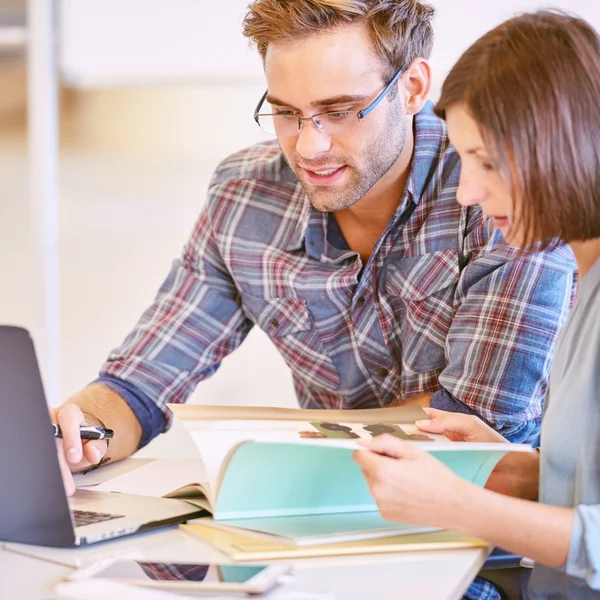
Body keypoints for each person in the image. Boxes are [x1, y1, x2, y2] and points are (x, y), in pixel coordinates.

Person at [355, 10, 600, 599]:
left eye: (486, 162)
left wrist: (460, 505)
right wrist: (517, 465)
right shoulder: (586, 279)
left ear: (564, 145)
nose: (467, 192)